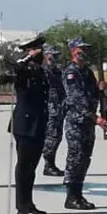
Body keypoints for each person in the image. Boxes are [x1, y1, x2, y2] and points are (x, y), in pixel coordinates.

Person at [0, 36, 50, 214]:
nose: (41, 53)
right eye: (37, 50)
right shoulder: (23, 69)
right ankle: (22, 205)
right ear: (29, 51)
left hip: (38, 122)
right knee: (24, 166)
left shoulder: (40, 71)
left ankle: (29, 203)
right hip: (25, 124)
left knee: (32, 167)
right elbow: (12, 71)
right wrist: (26, 58)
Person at [62, 36, 107, 210]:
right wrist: (95, 118)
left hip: (88, 123)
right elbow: (77, 100)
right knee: (75, 158)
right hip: (77, 122)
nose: (84, 52)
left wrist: (100, 90)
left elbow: (92, 95)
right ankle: (71, 196)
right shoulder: (71, 72)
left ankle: (79, 194)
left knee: (84, 158)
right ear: (73, 50)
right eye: (81, 49)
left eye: (86, 49)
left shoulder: (87, 72)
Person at [41, 44, 66, 177]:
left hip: (59, 107)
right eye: (51, 56)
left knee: (57, 136)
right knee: (51, 137)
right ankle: (48, 164)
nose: (54, 58)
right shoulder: (43, 71)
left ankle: (50, 163)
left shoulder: (58, 71)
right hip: (49, 108)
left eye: (55, 56)